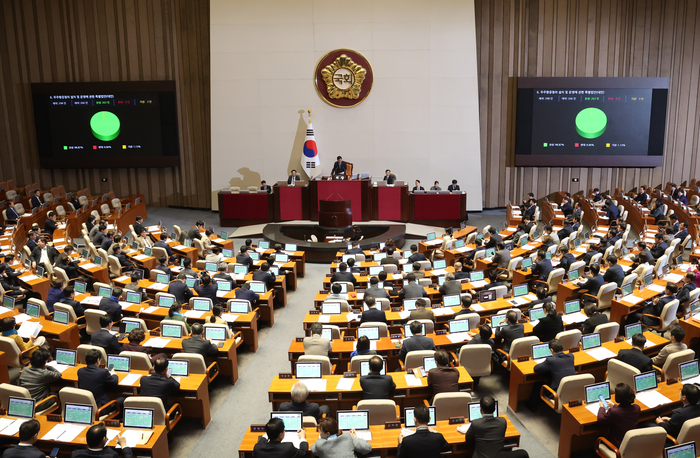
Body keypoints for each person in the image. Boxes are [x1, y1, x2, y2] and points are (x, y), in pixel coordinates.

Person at [527, 339, 576, 411]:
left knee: (538, 384)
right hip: (570, 390)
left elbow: (536, 369)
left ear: (552, 350)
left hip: (556, 394)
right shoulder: (571, 356)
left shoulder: (551, 360)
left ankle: (531, 406)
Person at [596, 383, 641, 448]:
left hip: (616, 446)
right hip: (630, 444)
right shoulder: (637, 408)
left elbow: (601, 420)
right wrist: (614, 406)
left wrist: (601, 407)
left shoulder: (614, 412)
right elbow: (624, 410)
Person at [77, 349, 122, 414]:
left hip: (86, 407)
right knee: (125, 398)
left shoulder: (80, 371)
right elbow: (114, 382)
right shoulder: (102, 372)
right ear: (98, 360)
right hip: (101, 408)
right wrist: (113, 373)